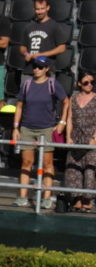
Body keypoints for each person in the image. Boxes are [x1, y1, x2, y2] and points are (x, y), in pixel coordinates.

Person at [13, 56, 68, 209]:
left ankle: (46, 197)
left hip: (47, 128)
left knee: (47, 164)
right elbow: (19, 106)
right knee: (26, 163)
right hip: (27, 128)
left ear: (46, 69)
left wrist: (62, 122)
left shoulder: (53, 84)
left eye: (39, 66)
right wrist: (16, 127)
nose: (36, 69)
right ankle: (23, 197)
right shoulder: (27, 84)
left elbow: (66, 101)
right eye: (34, 66)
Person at [64, 71, 96, 212]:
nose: (89, 85)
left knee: (90, 171)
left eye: (92, 82)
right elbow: (70, 118)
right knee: (73, 170)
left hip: (91, 139)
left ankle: (87, 200)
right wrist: (68, 137)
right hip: (76, 138)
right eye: (86, 82)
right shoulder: (74, 98)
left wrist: (95, 137)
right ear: (79, 84)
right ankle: (76, 199)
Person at [19, 0, 68, 70]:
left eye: (42, 8)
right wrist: (26, 54)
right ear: (34, 9)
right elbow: (22, 47)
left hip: (46, 69)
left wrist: (41, 55)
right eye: (37, 9)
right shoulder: (28, 26)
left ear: (48, 8)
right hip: (29, 68)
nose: (40, 12)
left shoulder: (54, 26)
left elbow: (62, 48)